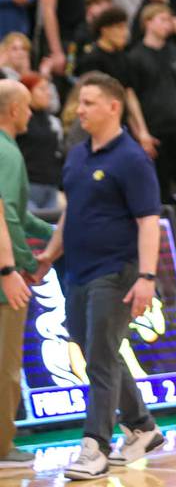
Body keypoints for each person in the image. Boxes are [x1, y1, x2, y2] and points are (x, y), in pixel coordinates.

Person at [35, 72, 165, 480]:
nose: (80, 109)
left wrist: (146, 276)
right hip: (75, 270)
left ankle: (95, 446)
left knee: (103, 356)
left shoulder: (131, 158)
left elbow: (148, 221)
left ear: (114, 107)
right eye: (80, 102)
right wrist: (49, 256)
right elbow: (71, 212)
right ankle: (143, 426)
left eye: (89, 102)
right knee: (96, 353)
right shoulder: (76, 154)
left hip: (117, 271)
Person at [0, 79, 52, 470]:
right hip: (4, 276)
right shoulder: (6, 152)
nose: (32, 113)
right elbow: (4, 213)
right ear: (13, 110)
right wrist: (15, 266)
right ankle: (2, 449)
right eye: (27, 106)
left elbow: (19, 212)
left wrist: (58, 233)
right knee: (6, 367)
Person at [127, 4, 176, 234]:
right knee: (157, 184)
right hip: (154, 128)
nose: (167, 24)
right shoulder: (135, 56)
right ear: (147, 22)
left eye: (169, 20)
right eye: (162, 19)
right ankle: (159, 231)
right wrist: (141, 132)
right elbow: (131, 96)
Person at [75, 6, 152, 153]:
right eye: (120, 28)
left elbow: (128, 94)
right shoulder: (92, 59)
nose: (125, 33)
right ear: (105, 30)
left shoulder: (124, 57)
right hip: (100, 125)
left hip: (119, 124)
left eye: (125, 28)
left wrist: (142, 131)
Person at [16, 72, 62, 211]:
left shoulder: (51, 120)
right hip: (27, 185)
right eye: (42, 89)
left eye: (48, 89)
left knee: (49, 230)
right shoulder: (18, 119)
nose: (48, 93)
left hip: (50, 186)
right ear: (27, 92)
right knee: (30, 230)